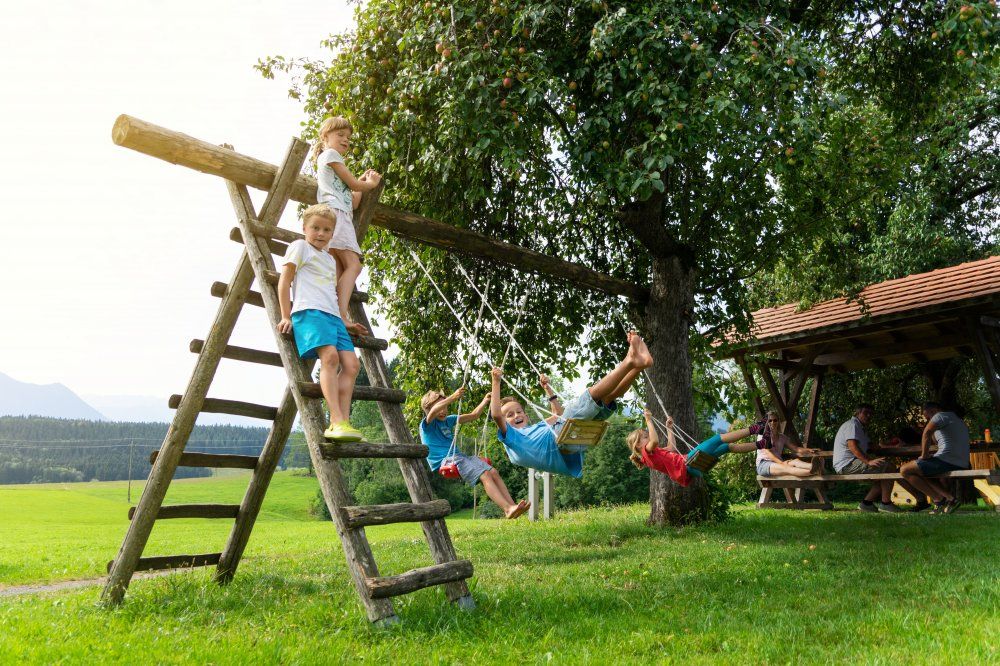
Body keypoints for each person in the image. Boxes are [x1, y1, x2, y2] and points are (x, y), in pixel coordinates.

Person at [489, 331, 652, 477]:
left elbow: (558, 415)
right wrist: (496, 382)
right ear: (504, 422)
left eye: (518, 411)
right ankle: (630, 360)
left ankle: (638, 367)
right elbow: (496, 414)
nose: (516, 415)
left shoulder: (535, 430)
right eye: (510, 415)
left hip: (571, 438)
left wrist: (548, 390)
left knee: (608, 398)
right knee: (592, 394)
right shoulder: (510, 437)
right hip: (562, 439)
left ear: (525, 414)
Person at [276, 204, 363, 442]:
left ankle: (343, 421)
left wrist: (344, 322)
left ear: (332, 234)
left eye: (326, 229)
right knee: (330, 358)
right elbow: (284, 282)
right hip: (310, 312)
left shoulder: (327, 258)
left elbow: (330, 293)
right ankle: (335, 421)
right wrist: (286, 315)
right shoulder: (300, 247)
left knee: (352, 365)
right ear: (304, 228)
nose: (320, 233)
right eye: (315, 228)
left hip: (332, 316)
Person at [312, 116, 382, 336]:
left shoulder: (334, 168)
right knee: (354, 264)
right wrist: (369, 184)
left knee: (340, 269)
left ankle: (331, 312)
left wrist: (361, 182)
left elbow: (353, 199)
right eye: (340, 135)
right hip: (337, 216)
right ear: (325, 137)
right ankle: (341, 315)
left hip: (338, 213)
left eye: (348, 138)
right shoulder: (330, 155)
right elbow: (353, 184)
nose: (345, 140)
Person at [419, 387, 529, 519]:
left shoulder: (449, 420)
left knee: (493, 472)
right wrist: (453, 397)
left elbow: (474, 415)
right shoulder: (427, 425)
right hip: (445, 461)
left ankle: (513, 506)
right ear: (428, 409)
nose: (443, 410)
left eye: (446, 407)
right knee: (485, 475)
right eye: (441, 406)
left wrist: (485, 401)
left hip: (460, 457)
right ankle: (507, 509)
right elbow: (434, 410)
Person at [627, 410, 779, 484]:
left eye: (647, 435)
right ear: (638, 445)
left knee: (727, 447)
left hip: (690, 467)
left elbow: (671, 448)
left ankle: (761, 444)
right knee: (717, 438)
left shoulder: (653, 454)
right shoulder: (647, 454)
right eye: (645, 437)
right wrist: (648, 420)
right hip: (687, 465)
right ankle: (756, 428)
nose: (648, 437)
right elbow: (654, 440)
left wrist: (670, 428)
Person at [832, 404, 919, 513]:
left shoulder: (860, 428)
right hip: (847, 465)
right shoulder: (852, 425)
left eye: (871, 414)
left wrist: (894, 446)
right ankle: (886, 503)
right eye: (865, 413)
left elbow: (873, 446)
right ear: (857, 413)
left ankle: (867, 504)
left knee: (884, 474)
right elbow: (852, 446)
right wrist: (868, 461)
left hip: (850, 463)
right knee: (889, 467)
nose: (868, 416)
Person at [900, 402, 971, 514]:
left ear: (934, 410)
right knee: (921, 471)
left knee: (905, 470)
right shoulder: (958, 420)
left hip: (947, 460)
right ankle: (950, 499)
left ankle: (938, 500)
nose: (928, 419)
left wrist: (924, 455)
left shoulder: (940, 416)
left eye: (927, 416)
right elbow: (936, 439)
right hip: (961, 462)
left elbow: (926, 433)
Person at [755, 410, 824, 478]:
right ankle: (814, 471)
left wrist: (809, 450)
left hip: (778, 463)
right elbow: (767, 452)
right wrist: (781, 463)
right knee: (787, 468)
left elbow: (796, 448)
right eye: (770, 420)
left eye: (775, 420)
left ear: (778, 421)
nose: (773, 422)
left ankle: (816, 467)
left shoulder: (782, 437)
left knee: (796, 461)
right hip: (764, 464)